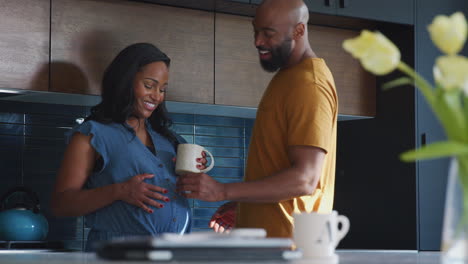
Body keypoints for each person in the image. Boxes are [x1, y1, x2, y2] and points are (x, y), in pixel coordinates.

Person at [176, 0, 338, 238]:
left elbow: (305, 180)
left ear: (299, 30)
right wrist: (247, 202)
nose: (257, 41)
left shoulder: (309, 85)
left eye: (268, 33)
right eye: (255, 31)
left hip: (290, 249)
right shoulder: (289, 77)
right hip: (271, 246)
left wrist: (223, 191)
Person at [51, 43, 206, 251]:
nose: (157, 96)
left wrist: (197, 176)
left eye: (162, 89)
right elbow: (61, 204)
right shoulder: (92, 135)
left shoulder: (170, 140)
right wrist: (120, 190)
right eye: (149, 85)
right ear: (125, 81)